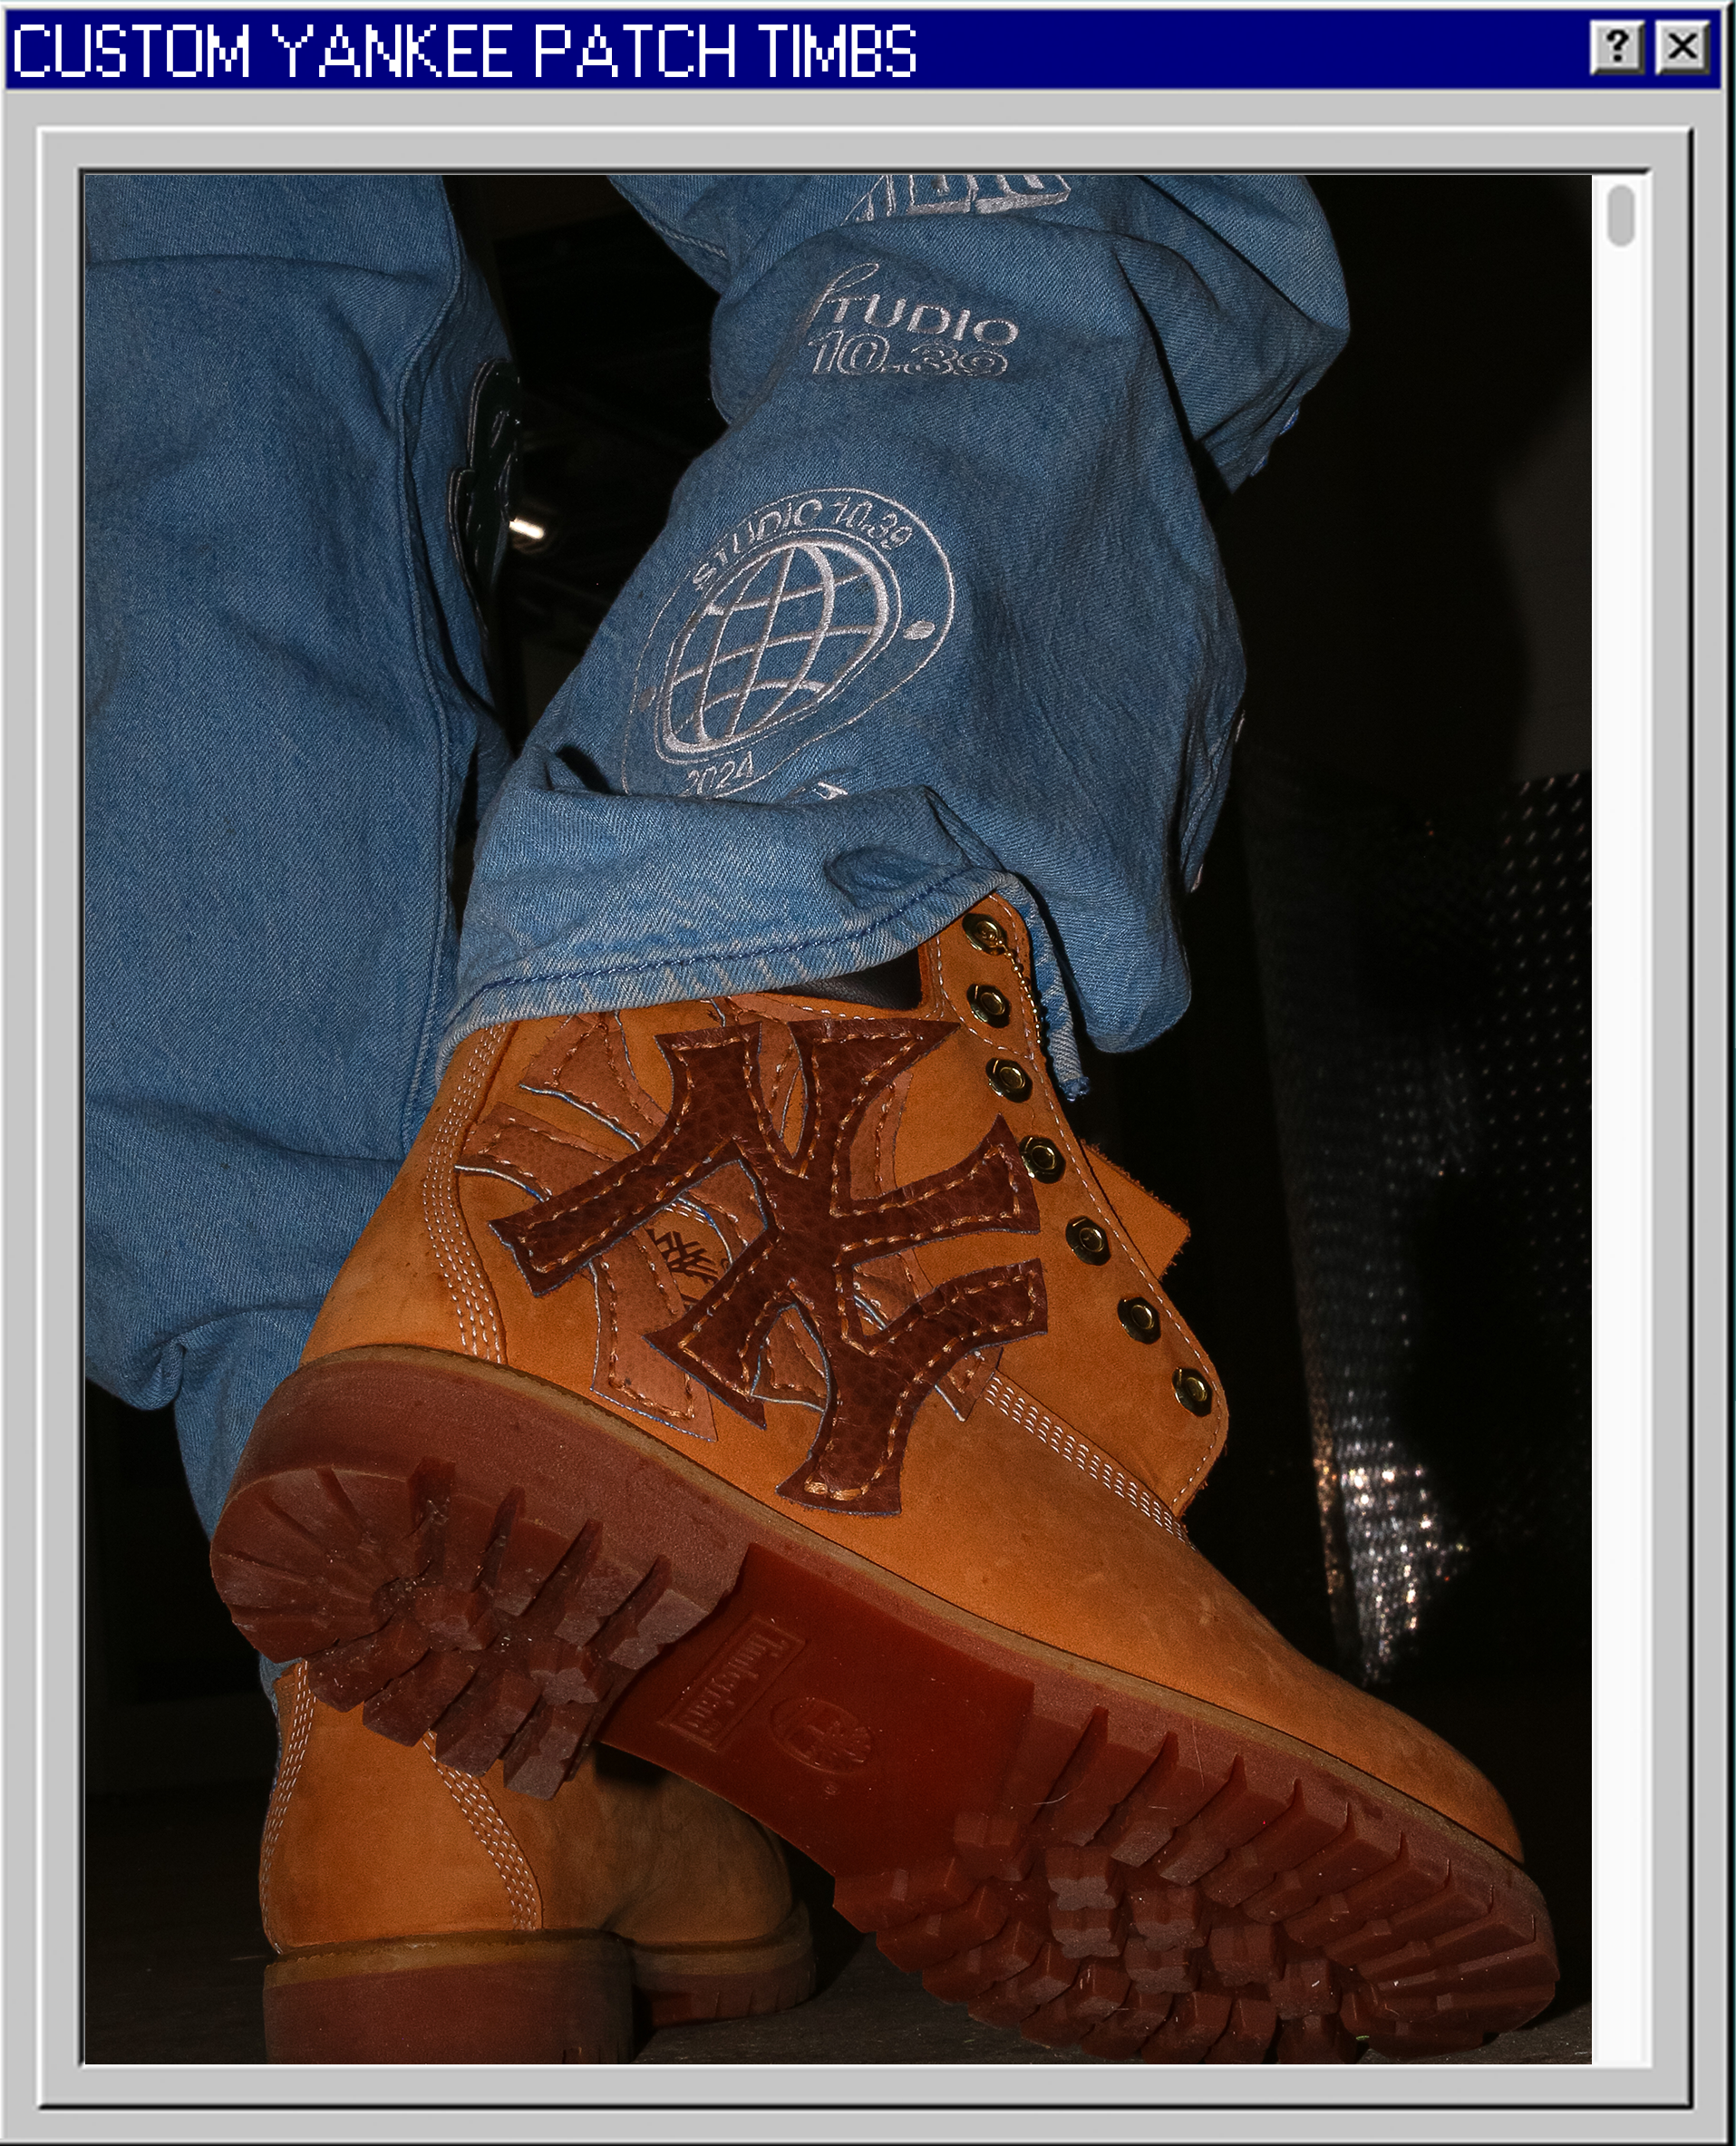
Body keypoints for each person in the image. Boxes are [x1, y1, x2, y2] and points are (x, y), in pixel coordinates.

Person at [86, 171, 1557, 2065]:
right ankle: (765, 1131)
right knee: (1027, 151)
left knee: (206, 339)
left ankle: (420, 1771)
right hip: (782, 1219)